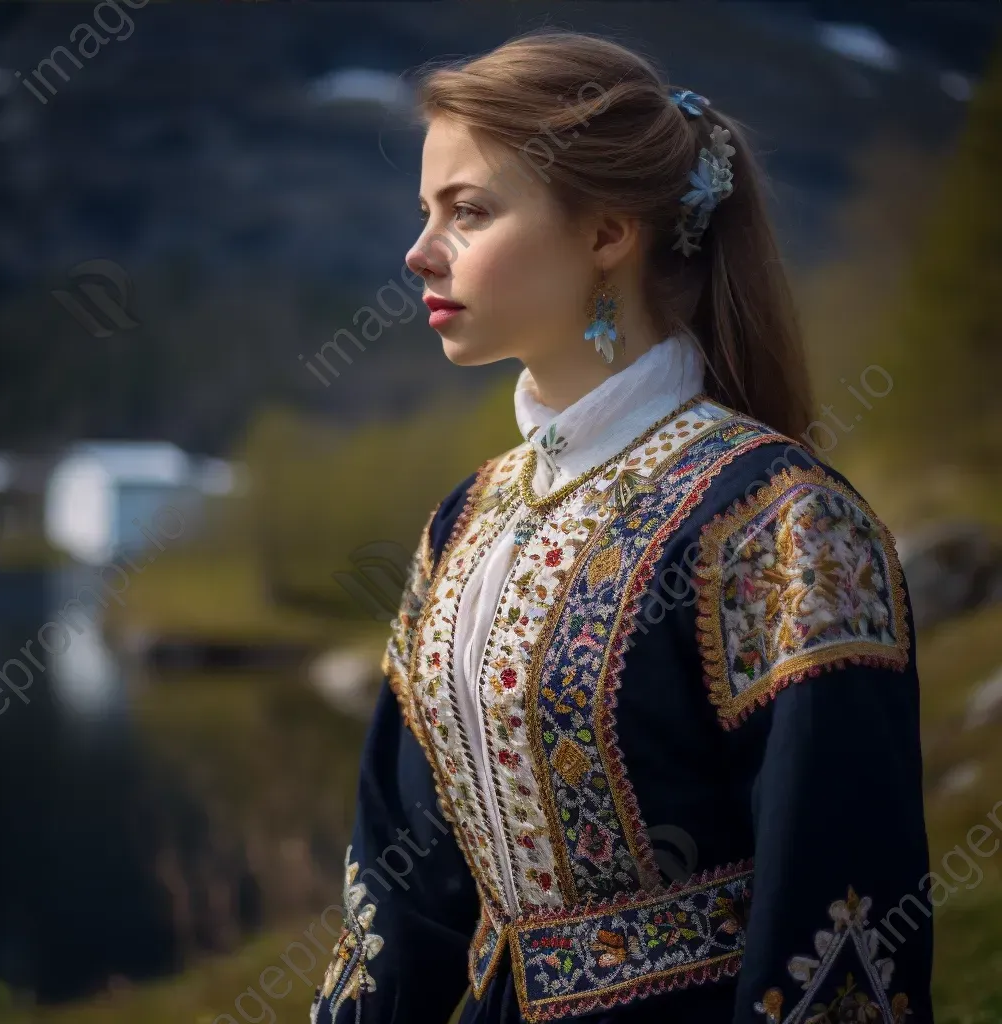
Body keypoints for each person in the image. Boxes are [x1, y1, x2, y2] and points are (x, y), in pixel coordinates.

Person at [311, 28, 934, 1024]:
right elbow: (400, 886)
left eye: (467, 212)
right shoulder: (462, 523)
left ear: (608, 233)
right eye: (426, 210)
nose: (419, 250)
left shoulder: (778, 525)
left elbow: (840, 907)